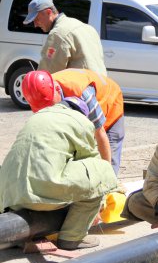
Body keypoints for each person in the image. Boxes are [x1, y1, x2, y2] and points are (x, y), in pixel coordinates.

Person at [0, 97, 117, 250]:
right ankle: (72, 237)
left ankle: (19, 234)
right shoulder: (81, 121)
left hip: (11, 196)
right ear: (82, 112)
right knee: (101, 171)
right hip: (41, 194)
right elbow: (89, 160)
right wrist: (99, 205)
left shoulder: (38, 116)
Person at [22, 69, 124, 175]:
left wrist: (107, 175)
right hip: (81, 107)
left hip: (111, 103)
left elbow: (100, 134)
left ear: (57, 89)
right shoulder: (39, 91)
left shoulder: (82, 93)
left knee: (109, 161)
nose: (50, 110)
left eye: (50, 105)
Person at [23, 0, 106, 75]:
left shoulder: (58, 33)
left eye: (37, 19)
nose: (35, 25)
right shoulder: (87, 28)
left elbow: (46, 75)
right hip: (103, 86)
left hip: (84, 88)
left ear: (48, 12)